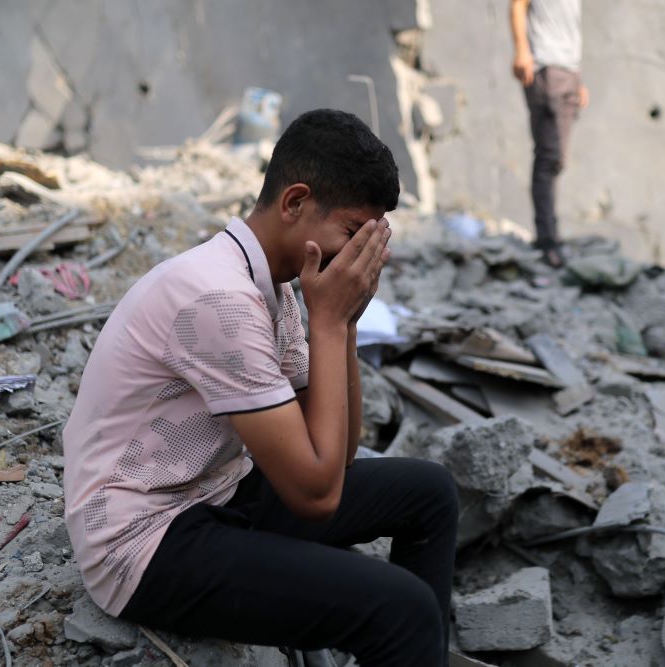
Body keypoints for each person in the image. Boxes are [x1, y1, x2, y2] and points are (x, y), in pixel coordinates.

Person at [62, 109, 458, 667]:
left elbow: (336, 457)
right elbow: (315, 496)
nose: (355, 256)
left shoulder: (273, 285)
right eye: (351, 233)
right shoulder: (218, 299)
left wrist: (341, 324)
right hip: (144, 539)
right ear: (295, 203)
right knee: (405, 610)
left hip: (215, 492)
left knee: (430, 493)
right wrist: (328, 321)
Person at [510, 0, 586, 268]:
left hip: (568, 70)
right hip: (545, 67)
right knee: (548, 157)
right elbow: (518, 5)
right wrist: (522, 50)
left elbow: (569, 28)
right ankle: (546, 240)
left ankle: (551, 234)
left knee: (557, 159)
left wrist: (578, 79)